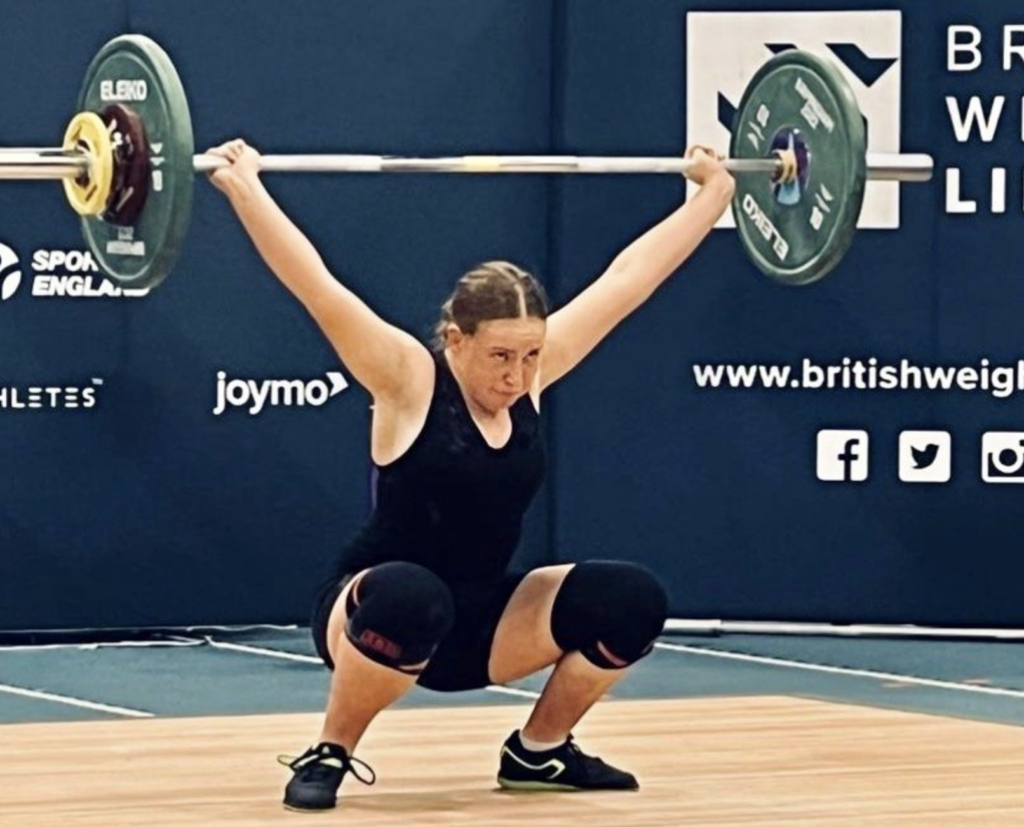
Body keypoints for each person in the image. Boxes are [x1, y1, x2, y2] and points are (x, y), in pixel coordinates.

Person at [207, 139, 735, 811]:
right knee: (412, 593)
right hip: (372, 613)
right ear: (455, 338)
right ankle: (331, 749)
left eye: (530, 355)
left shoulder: (530, 379)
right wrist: (245, 186)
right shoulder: (407, 377)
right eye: (500, 356)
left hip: (482, 623)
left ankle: (538, 752)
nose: (516, 375)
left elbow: (628, 280)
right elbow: (315, 285)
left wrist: (712, 195)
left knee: (632, 599)